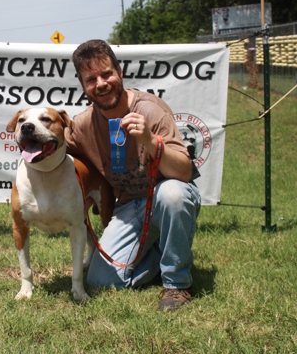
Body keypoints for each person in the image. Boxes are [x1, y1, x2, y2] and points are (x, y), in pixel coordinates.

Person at [65, 39, 201, 311]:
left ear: (120, 71)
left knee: (173, 194)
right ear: (83, 85)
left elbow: (184, 173)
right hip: (128, 205)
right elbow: (55, 148)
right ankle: (165, 253)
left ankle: (177, 284)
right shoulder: (82, 125)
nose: (101, 84)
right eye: (91, 79)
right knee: (102, 280)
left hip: (164, 199)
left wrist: (151, 141)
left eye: (106, 74)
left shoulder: (151, 109)